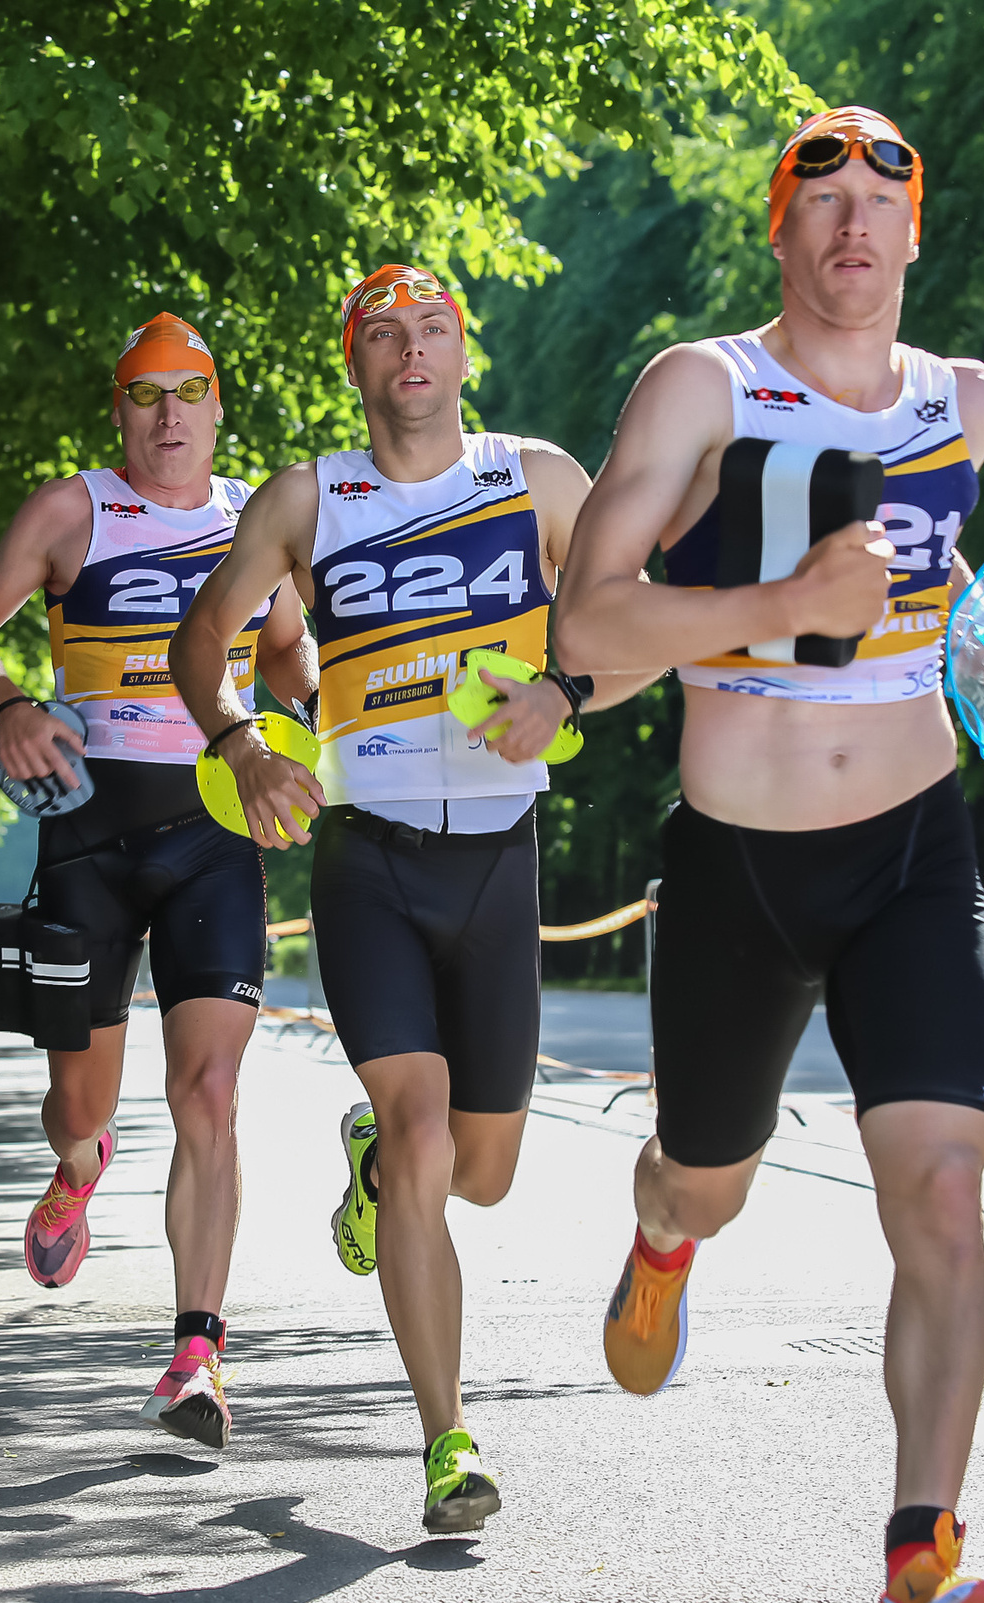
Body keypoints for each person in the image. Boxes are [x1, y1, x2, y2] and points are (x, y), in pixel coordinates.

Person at [550, 109, 984, 1603]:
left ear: (917, 235)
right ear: (780, 236)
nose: (855, 227)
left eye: (884, 203)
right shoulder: (702, 385)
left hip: (917, 850)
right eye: (827, 205)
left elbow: (950, 615)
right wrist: (777, 604)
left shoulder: (968, 400)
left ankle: (915, 1567)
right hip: (740, 861)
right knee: (706, 1180)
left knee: (940, 1187)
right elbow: (588, 625)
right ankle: (664, 1234)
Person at [172, 264, 625, 1533]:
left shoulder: (534, 479)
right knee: (425, 1136)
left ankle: (375, 1172)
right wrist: (242, 743)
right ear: (356, 363)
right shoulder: (308, 499)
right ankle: (449, 1444)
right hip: (365, 854)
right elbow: (200, 641)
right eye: (384, 333)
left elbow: (625, 617)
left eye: (432, 328)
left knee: (480, 1173)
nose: (411, 349)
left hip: (499, 854)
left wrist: (570, 693)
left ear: (463, 351)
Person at [0, 312, 315, 1451]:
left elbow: (293, 649)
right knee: (80, 1109)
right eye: (143, 395)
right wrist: (7, 707)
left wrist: (295, 717)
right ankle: (75, 1170)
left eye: (186, 393)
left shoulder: (256, 523)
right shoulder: (71, 511)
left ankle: (196, 1351)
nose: (166, 416)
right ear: (119, 410)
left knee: (207, 1096)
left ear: (214, 407)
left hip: (211, 831)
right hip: (89, 837)